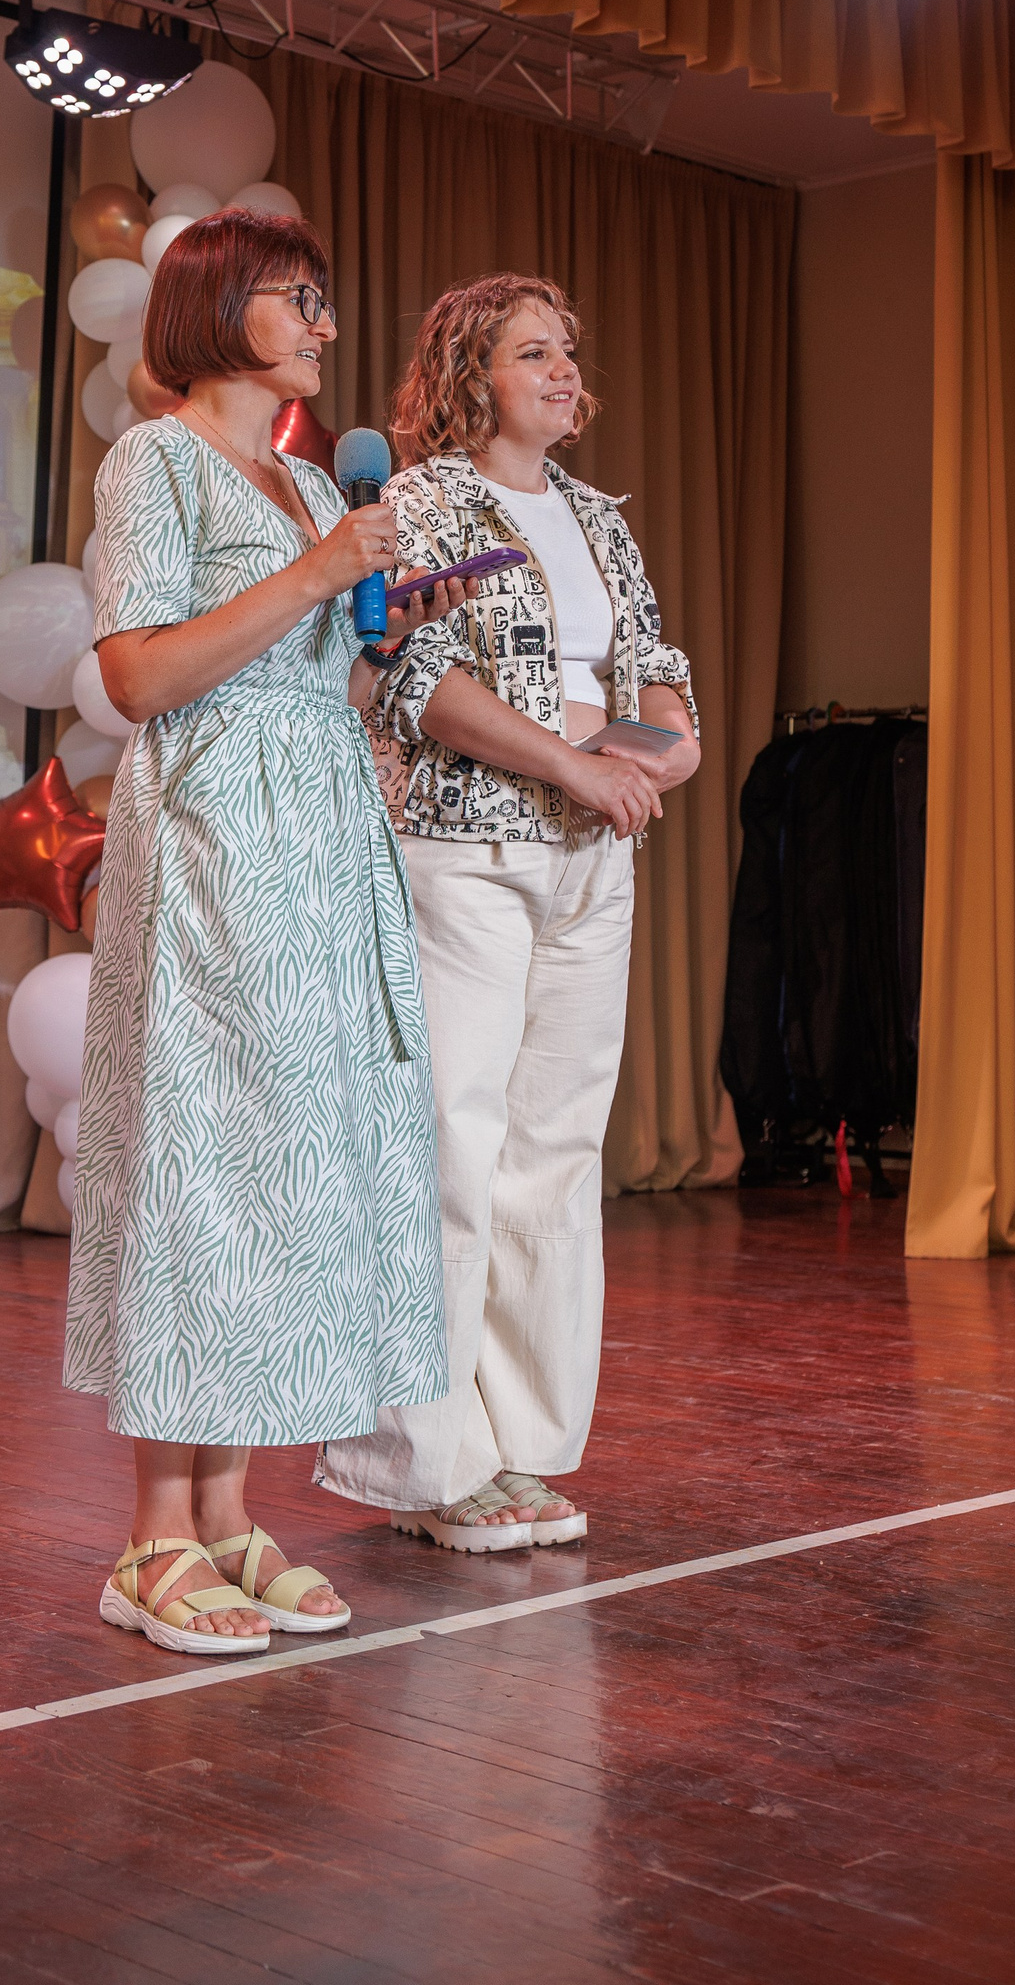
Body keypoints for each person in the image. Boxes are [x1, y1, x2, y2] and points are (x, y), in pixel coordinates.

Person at [65, 207, 463, 1655]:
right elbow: (137, 676)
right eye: (296, 297)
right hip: (215, 834)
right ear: (216, 305)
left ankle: (229, 1514)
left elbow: (317, 684)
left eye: (322, 298)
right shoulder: (153, 461)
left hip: (320, 834)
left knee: (281, 1163)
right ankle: (151, 1536)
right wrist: (313, 577)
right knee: (202, 1161)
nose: (323, 323)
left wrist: (376, 631)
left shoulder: (303, 480)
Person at [319, 274, 700, 1552]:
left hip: (594, 861)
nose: (562, 370)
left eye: (567, 351)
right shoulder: (422, 503)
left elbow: (658, 676)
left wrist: (662, 750)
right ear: (468, 374)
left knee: (554, 1155)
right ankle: (431, 1464)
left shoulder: (598, 516)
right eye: (533, 351)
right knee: (451, 1148)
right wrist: (577, 760)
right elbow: (412, 680)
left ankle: (523, 1447)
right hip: (466, 852)